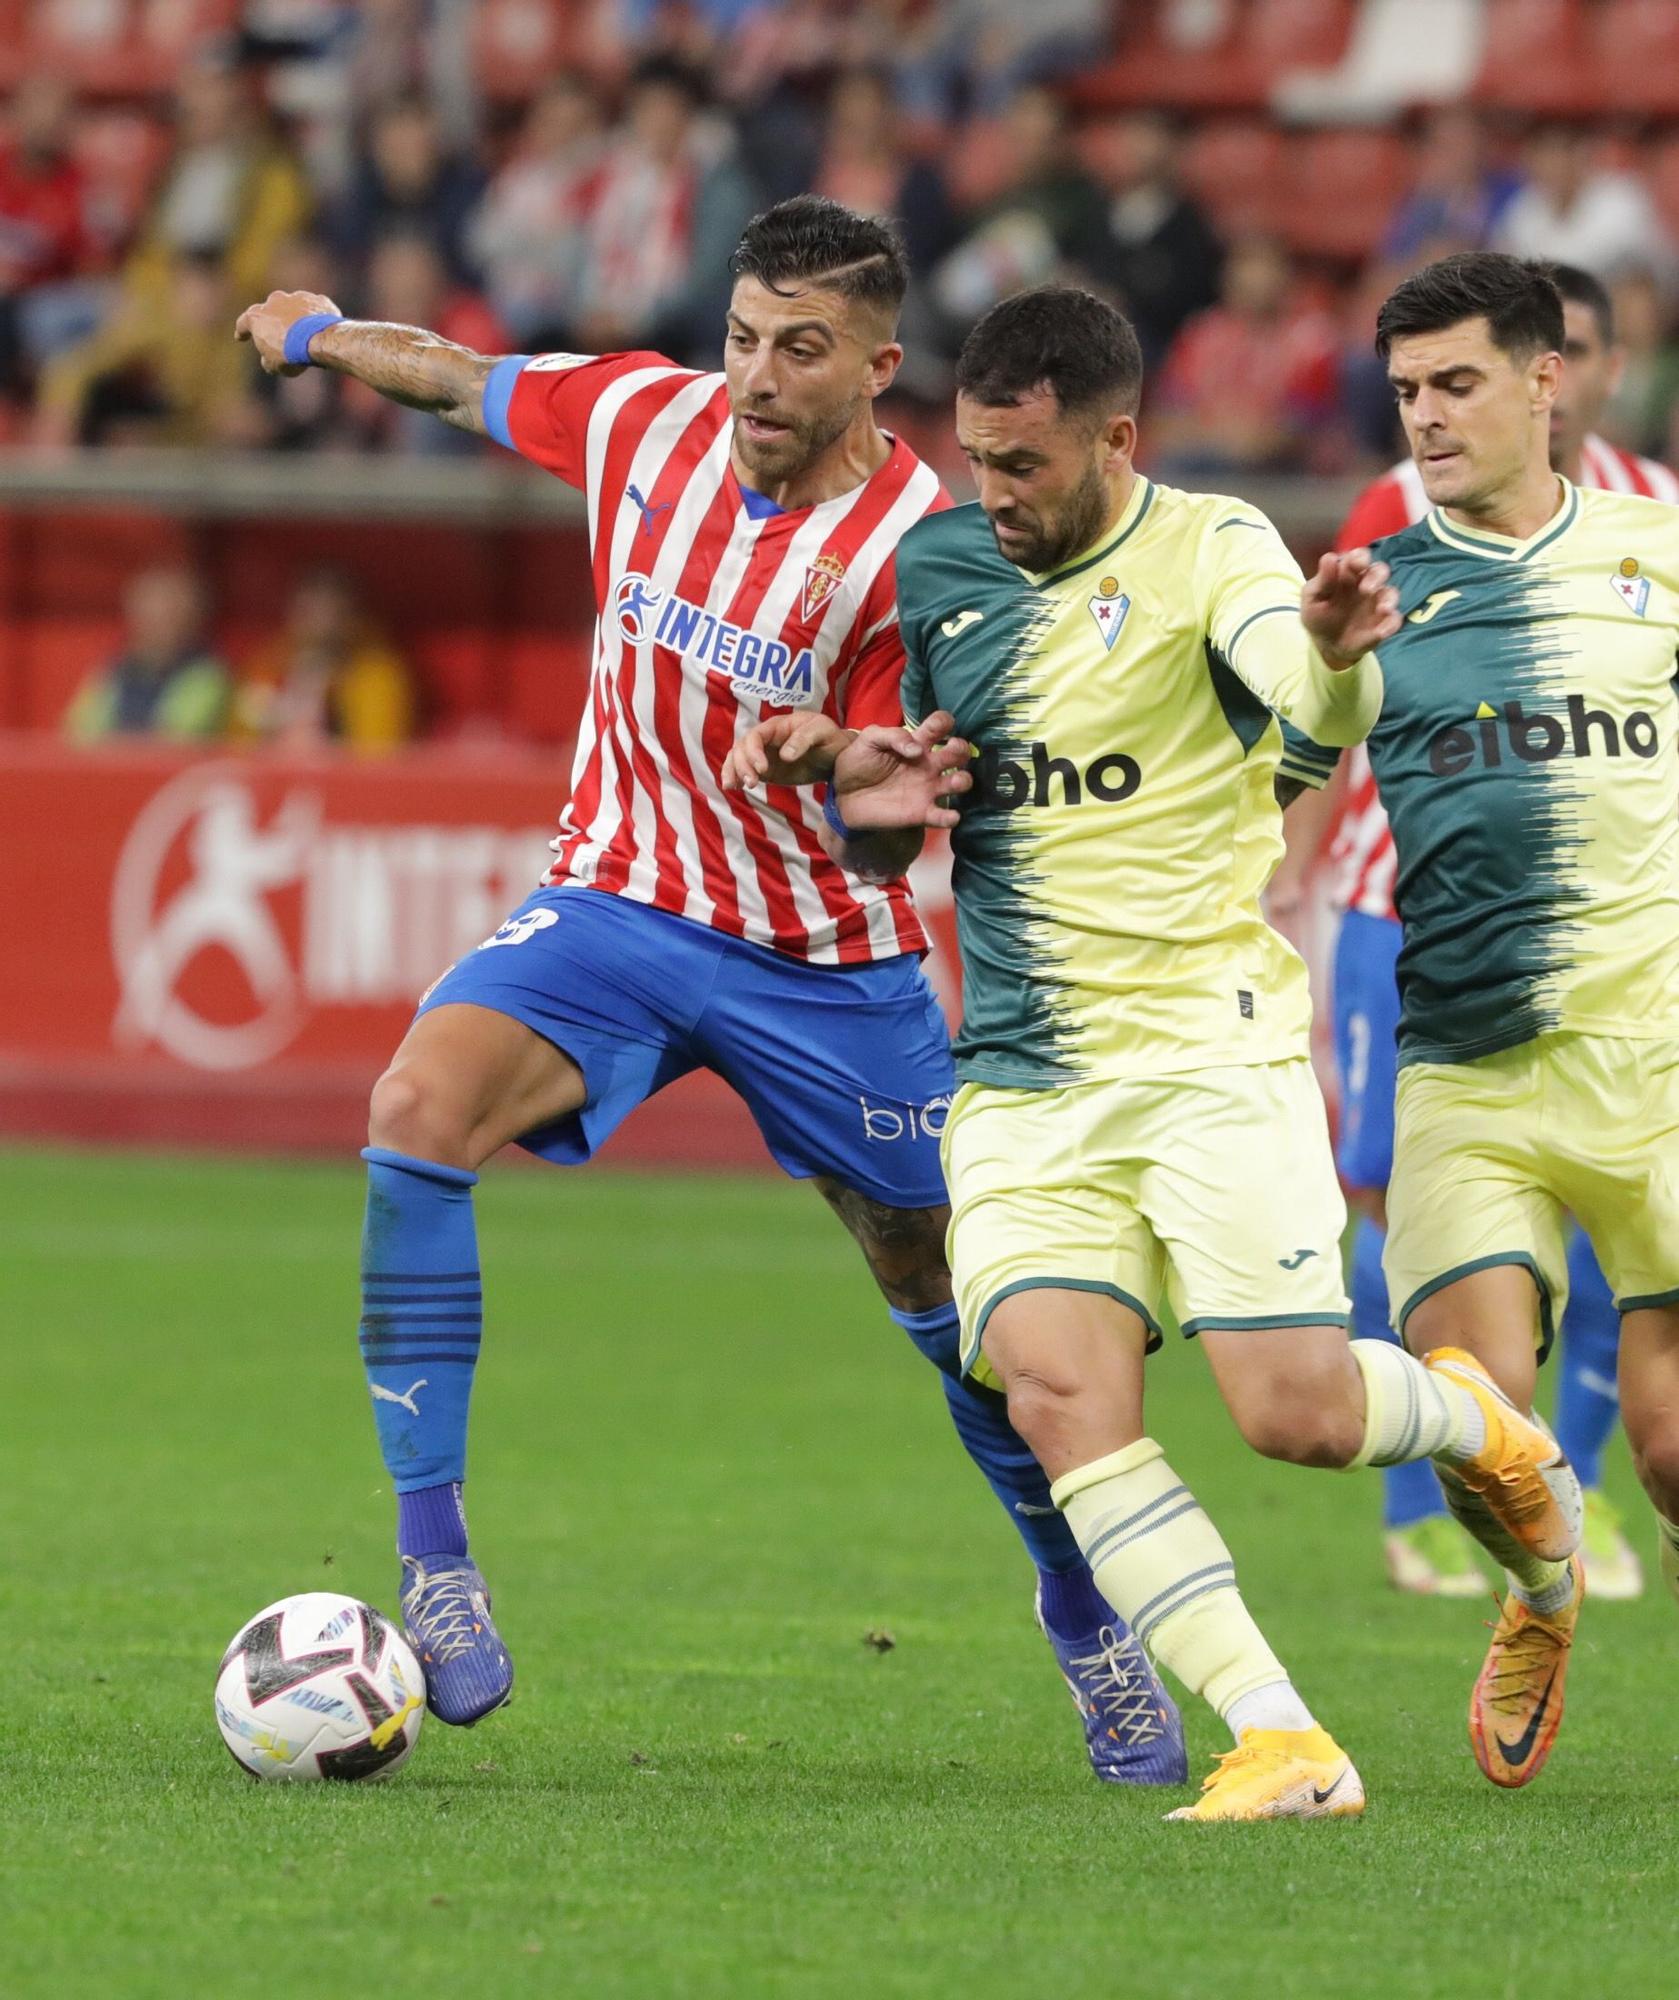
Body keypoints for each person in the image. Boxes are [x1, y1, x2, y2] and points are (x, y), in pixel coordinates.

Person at [233, 195, 1190, 1785]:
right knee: (413, 1107)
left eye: (797, 351)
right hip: (615, 902)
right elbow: (456, 372)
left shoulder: (919, 557)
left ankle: (1085, 1619)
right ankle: (438, 1563)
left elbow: (891, 849)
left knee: (961, 1314)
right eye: (742, 337)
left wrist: (845, 778)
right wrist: (322, 333)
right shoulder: (636, 416)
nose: (753, 376)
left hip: (825, 962)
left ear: (876, 368)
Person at [725, 284, 1579, 1821]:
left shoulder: (1215, 550)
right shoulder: (937, 568)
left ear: (1115, 439)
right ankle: (1281, 1740)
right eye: (976, 461)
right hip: (1020, 1072)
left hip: (1202, 1049)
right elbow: (893, 819)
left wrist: (1326, 648)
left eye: (1023, 467)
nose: (990, 495)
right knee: (1054, 1396)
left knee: (1294, 1417)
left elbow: (1313, 681)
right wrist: (845, 771)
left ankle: (1488, 1435)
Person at [1278, 251, 1679, 1789]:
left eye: (1454, 384)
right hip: (1468, 1071)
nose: (1426, 418)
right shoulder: (1372, 590)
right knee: (1475, 1425)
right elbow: (1276, 791)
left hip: (1651, 1063)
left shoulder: (1657, 553)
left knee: (1661, 1454)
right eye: (1403, 394)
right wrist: (1320, 668)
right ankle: (1537, 1592)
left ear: (1541, 379)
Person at [233, 564, 415, 752]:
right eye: (309, 607)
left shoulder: (375, 674)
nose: (318, 618)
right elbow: (239, 743)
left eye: (330, 607)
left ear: (351, 616)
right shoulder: (269, 664)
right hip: (271, 773)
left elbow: (377, 754)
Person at [65, 565, 230, 743]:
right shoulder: (112, 671)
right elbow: (78, 733)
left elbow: (177, 739)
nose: (154, 625)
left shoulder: (207, 676)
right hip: (104, 769)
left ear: (190, 619)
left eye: (167, 615)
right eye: (147, 614)